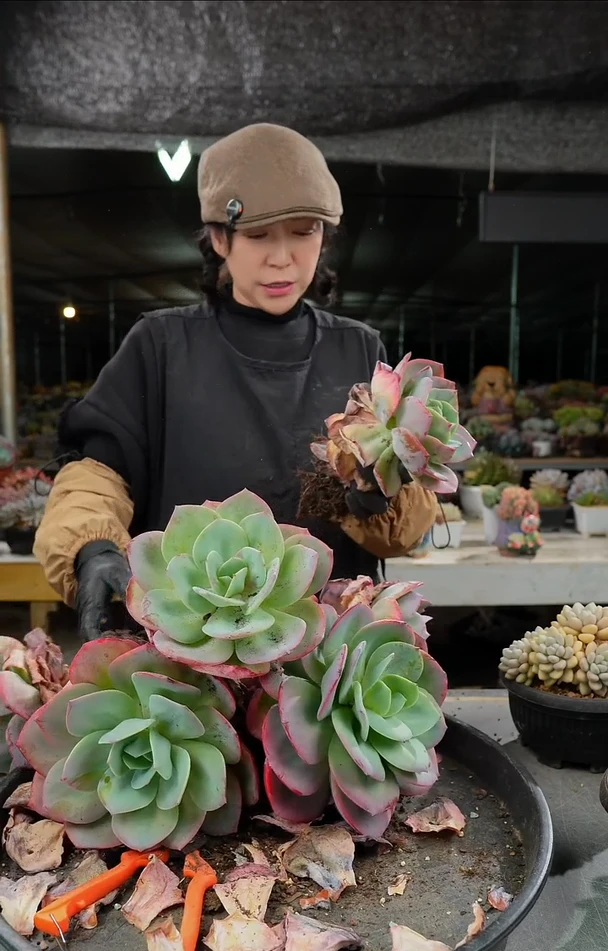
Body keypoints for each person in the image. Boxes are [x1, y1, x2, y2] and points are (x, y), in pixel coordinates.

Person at [34, 123, 437, 640]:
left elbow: (406, 520)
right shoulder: (161, 345)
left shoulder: (359, 349)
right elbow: (97, 471)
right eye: (258, 234)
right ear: (219, 238)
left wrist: (381, 496)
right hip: (194, 642)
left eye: (303, 231)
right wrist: (92, 548)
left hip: (325, 649)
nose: (282, 257)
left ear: (325, 236)